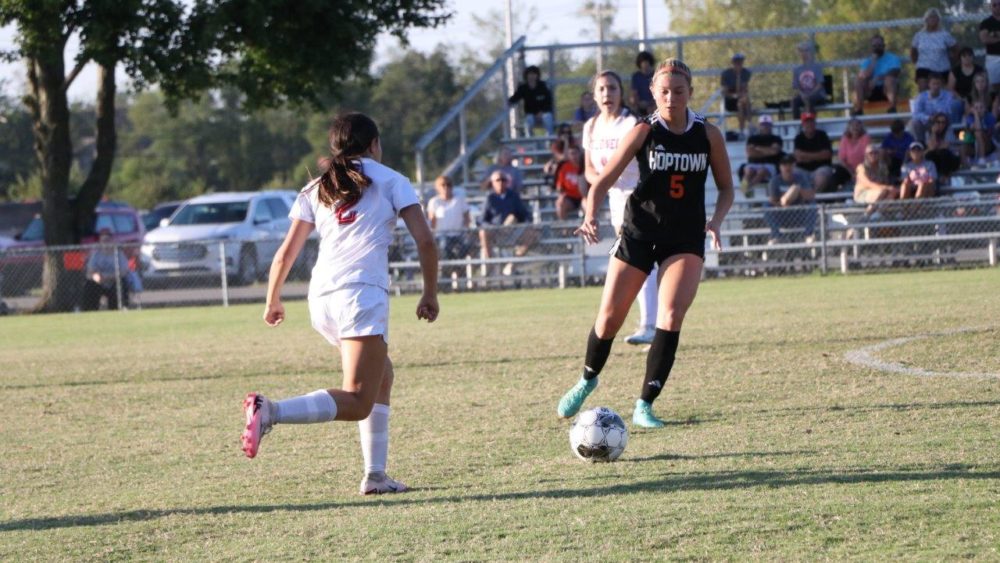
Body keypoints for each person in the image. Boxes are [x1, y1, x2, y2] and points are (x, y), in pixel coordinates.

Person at [241, 112, 439, 497]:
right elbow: (426, 241)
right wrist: (430, 293)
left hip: (322, 297)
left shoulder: (316, 187)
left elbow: (285, 254)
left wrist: (273, 300)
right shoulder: (393, 180)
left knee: (382, 375)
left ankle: (376, 476)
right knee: (358, 399)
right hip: (360, 294)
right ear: (374, 144)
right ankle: (270, 410)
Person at [557, 58, 734, 428]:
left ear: (691, 92)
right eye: (664, 92)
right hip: (639, 230)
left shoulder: (708, 134)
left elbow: (727, 188)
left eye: (679, 91)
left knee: (670, 316)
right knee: (609, 319)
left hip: (684, 237)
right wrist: (590, 214)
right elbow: (602, 181)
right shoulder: (642, 131)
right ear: (653, 93)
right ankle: (588, 378)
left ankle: (645, 404)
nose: (671, 98)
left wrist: (715, 220)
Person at [582, 69, 658, 345]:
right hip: (614, 198)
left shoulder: (630, 124)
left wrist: (606, 178)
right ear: (594, 95)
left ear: (621, 92)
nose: (607, 94)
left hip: (638, 197)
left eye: (612, 88)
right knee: (639, 261)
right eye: (601, 89)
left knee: (639, 261)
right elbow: (590, 170)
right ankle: (653, 323)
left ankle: (651, 324)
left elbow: (636, 163)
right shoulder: (591, 127)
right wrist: (602, 183)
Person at [478, 171, 537, 263]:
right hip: (496, 231)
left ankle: (514, 262)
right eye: (498, 180)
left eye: (503, 180)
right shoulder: (490, 199)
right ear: (492, 183)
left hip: (513, 230)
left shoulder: (513, 196)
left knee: (531, 232)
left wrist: (523, 223)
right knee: (483, 232)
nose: (501, 182)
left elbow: (524, 215)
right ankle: (490, 262)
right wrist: (492, 227)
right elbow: (482, 220)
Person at [764, 154, 816, 244]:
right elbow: (773, 200)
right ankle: (776, 235)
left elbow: (810, 195)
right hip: (781, 214)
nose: (788, 167)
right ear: (780, 167)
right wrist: (786, 198)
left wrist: (797, 190)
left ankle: (809, 234)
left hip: (799, 212)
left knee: (812, 205)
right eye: (784, 165)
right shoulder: (775, 181)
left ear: (794, 166)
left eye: (790, 164)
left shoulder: (801, 178)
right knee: (766, 206)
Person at [793, 112, 850, 193]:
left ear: (815, 123)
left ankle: (813, 199)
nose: (809, 124)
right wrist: (818, 156)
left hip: (821, 168)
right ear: (803, 124)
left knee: (821, 178)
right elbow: (798, 157)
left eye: (811, 122)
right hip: (803, 169)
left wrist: (806, 157)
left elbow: (827, 155)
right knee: (793, 175)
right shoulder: (799, 138)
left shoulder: (822, 135)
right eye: (807, 122)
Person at [81, 228, 130, 311]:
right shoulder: (96, 254)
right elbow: (89, 272)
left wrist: (107, 277)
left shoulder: (119, 254)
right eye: (103, 240)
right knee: (89, 284)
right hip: (100, 283)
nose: (106, 242)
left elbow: (124, 272)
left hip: (114, 282)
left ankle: (119, 309)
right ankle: (90, 310)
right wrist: (95, 276)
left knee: (122, 283)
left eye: (108, 239)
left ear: (112, 240)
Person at [853, 34, 902, 114]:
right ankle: (859, 109)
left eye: (879, 45)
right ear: (871, 47)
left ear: (884, 46)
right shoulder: (867, 61)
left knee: (890, 80)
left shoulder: (892, 58)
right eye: (874, 46)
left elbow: (895, 72)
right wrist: (873, 62)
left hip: (886, 90)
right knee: (859, 81)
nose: (877, 48)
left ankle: (892, 107)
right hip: (870, 90)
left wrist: (877, 78)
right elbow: (863, 75)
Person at [911, 8, 957, 92]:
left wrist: (953, 62)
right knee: (923, 90)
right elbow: (913, 52)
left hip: (942, 68)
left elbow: (955, 49)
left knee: (942, 93)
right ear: (926, 19)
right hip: (924, 67)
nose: (932, 19)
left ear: (938, 20)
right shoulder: (919, 35)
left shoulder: (945, 35)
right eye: (930, 17)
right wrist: (917, 63)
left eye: (935, 17)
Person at [426, 175, 471, 261]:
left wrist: (466, 230)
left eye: (449, 184)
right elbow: (432, 221)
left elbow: (466, 216)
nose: (446, 187)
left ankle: (459, 267)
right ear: (438, 188)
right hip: (442, 234)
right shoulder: (434, 202)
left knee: (466, 245)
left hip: (459, 233)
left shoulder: (459, 199)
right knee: (445, 246)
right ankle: (449, 269)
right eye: (443, 185)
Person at [911, 73, 959, 143]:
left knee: (942, 121)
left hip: (943, 122)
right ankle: (921, 144)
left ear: (941, 84)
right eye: (934, 84)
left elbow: (948, 110)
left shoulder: (948, 95)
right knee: (915, 122)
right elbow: (916, 114)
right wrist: (928, 117)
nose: (936, 86)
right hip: (928, 122)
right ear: (929, 84)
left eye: (938, 84)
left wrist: (937, 117)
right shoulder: (921, 97)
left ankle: (944, 145)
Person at [508, 65, 555, 137]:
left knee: (548, 117)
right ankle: (530, 141)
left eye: (534, 74)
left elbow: (548, 101)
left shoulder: (542, 86)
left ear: (537, 75)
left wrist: (542, 112)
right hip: (531, 114)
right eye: (530, 74)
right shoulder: (523, 88)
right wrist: (508, 102)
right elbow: (515, 98)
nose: (532, 76)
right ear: (526, 75)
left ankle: (550, 140)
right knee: (528, 120)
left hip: (544, 113)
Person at [741, 114, 783, 192]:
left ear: (771, 126)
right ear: (759, 126)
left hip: (770, 165)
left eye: (767, 124)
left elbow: (774, 151)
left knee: (762, 171)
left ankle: (747, 189)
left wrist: (758, 149)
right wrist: (768, 151)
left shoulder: (776, 138)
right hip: (753, 164)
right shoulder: (752, 138)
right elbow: (750, 153)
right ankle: (743, 189)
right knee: (748, 171)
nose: (765, 127)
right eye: (763, 124)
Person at [854, 144, 899, 210]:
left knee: (893, 191)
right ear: (866, 155)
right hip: (863, 193)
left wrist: (889, 188)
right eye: (871, 153)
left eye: (876, 153)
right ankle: (868, 213)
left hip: (881, 191)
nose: (873, 155)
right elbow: (868, 183)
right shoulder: (861, 167)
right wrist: (885, 188)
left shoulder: (883, 167)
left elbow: (885, 182)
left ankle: (881, 211)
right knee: (882, 191)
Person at [792, 41, 828, 120]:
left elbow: (820, 84)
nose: (804, 53)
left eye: (806, 51)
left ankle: (810, 121)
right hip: (803, 95)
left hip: (817, 95)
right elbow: (797, 87)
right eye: (801, 51)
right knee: (794, 101)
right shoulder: (797, 69)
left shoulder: (816, 67)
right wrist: (802, 94)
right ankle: (797, 123)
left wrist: (810, 94)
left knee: (809, 99)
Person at [720, 53, 752, 137]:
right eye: (737, 62)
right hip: (730, 101)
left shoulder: (745, 73)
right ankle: (749, 124)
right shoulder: (726, 74)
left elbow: (743, 89)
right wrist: (736, 94)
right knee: (743, 102)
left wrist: (738, 77)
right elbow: (725, 92)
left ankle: (744, 130)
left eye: (741, 62)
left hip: (741, 100)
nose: (739, 64)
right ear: (733, 63)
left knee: (742, 103)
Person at [925, 112, 962, 180]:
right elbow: (932, 148)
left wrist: (935, 146)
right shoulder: (929, 133)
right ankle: (931, 177)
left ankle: (945, 177)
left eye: (943, 122)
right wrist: (934, 133)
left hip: (951, 159)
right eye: (938, 122)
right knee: (930, 154)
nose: (941, 124)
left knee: (943, 152)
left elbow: (945, 146)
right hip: (938, 158)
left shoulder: (949, 131)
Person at [553, 145, 585, 220]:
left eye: (575, 153)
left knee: (587, 205)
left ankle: (588, 229)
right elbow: (559, 187)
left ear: (579, 154)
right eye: (571, 154)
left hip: (584, 196)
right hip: (570, 197)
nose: (574, 156)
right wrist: (561, 196)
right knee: (560, 205)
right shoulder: (565, 167)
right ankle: (564, 229)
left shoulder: (584, 166)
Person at [964, 99, 998, 164]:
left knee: (980, 134)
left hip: (988, 141)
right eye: (976, 108)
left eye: (981, 107)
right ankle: (981, 158)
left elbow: (990, 132)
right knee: (978, 133)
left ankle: (984, 158)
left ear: (985, 109)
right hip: (972, 142)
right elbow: (978, 128)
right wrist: (976, 115)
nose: (979, 110)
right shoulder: (970, 118)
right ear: (972, 110)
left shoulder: (989, 117)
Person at [978, 1, 1000, 96]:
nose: (998, 7)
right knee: (993, 84)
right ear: (991, 7)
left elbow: (989, 37)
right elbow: (984, 39)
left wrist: (994, 34)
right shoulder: (986, 22)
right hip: (993, 57)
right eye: (994, 5)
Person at [630, 50, 656, 115]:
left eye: (646, 62)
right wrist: (639, 103)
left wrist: (651, 104)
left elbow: (659, 92)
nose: (645, 64)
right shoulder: (636, 76)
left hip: (654, 106)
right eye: (643, 62)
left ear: (650, 62)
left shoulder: (656, 75)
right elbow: (634, 93)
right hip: (640, 106)